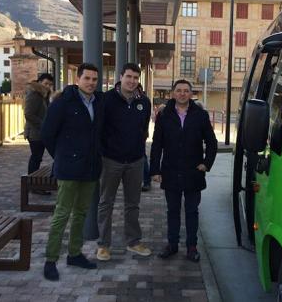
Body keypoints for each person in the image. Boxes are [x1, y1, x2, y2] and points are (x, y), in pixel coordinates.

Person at [41, 63, 104, 281]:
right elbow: (47, 133)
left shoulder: (99, 102)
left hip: (91, 168)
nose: (91, 83)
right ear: (78, 79)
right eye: (87, 78)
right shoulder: (63, 103)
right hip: (68, 168)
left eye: (94, 79)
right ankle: (50, 260)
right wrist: (62, 155)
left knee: (81, 213)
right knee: (62, 214)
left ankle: (75, 254)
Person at [150, 79, 218, 262]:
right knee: (172, 211)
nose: (182, 93)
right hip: (170, 171)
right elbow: (157, 145)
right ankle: (172, 244)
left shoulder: (200, 115)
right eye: (178, 90)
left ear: (191, 94)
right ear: (173, 93)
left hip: (193, 172)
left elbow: (212, 143)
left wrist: (206, 163)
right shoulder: (164, 115)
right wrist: (154, 170)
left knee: (191, 211)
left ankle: (191, 246)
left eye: (186, 91)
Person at [97, 63, 152, 261]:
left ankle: (134, 242)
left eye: (136, 78)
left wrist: (138, 150)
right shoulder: (106, 99)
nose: (132, 81)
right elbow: (99, 129)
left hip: (135, 161)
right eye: (129, 76)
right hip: (111, 160)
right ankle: (103, 245)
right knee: (106, 203)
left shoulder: (144, 102)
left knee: (133, 204)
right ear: (121, 77)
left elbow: (144, 129)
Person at [24, 73, 53, 179]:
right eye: (46, 83)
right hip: (34, 133)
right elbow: (28, 114)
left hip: (40, 132)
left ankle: (33, 182)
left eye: (50, 84)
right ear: (39, 82)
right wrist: (44, 125)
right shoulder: (34, 94)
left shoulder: (43, 94)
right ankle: (32, 183)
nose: (48, 86)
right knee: (36, 158)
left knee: (37, 157)